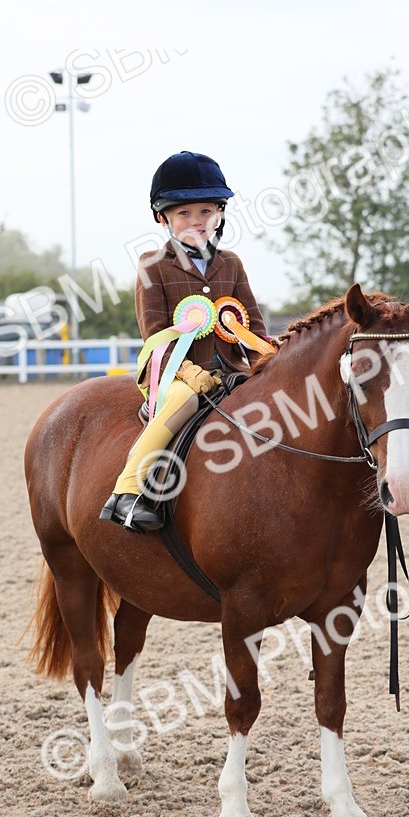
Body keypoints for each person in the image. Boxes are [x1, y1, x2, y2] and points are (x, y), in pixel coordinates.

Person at [100, 150, 269, 533]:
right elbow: (155, 333)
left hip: (229, 370)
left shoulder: (232, 264)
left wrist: (272, 358)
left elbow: (253, 328)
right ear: (164, 218)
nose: (197, 222)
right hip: (170, 372)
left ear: (220, 213)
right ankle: (128, 492)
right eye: (184, 214)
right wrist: (189, 373)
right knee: (183, 400)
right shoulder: (152, 266)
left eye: (206, 212)